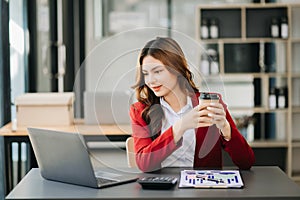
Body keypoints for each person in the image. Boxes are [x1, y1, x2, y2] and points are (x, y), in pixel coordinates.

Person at [130, 37, 255, 172]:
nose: (150, 80)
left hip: (203, 189)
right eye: (146, 74)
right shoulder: (140, 111)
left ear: (176, 68)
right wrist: (180, 127)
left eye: (157, 71)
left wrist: (226, 128)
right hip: (162, 190)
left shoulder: (209, 104)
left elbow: (246, 162)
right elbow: (144, 164)